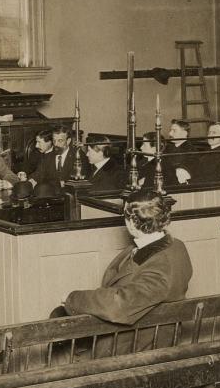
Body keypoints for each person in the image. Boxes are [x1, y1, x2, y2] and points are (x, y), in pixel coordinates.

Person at [57, 189, 193, 324]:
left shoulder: (160, 265)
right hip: (147, 327)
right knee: (60, 314)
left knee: (59, 318)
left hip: (136, 340)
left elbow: (119, 306)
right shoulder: (176, 246)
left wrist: (72, 298)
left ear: (132, 224)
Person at [33, 125, 76, 194]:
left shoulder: (77, 156)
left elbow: (76, 181)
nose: (56, 144)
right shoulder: (49, 155)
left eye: (60, 141)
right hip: (50, 195)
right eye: (54, 140)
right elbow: (38, 174)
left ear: (68, 141)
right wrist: (31, 180)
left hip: (69, 195)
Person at [161, 119, 198, 185]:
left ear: (184, 133)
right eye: (170, 130)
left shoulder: (191, 150)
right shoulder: (168, 147)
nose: (170, 133)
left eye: (174, 131)